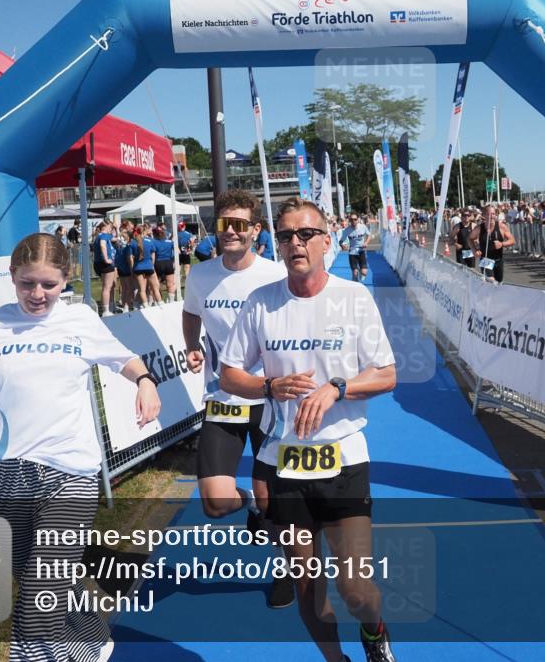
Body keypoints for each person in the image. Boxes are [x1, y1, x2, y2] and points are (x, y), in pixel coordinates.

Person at [0, 233, 161, 662]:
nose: (37, 293)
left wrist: (146, 382)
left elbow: (124, 359)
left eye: (49, 284)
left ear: (66, 278)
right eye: (27, 283)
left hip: (70, 473)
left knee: (41, 589)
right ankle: (91, 637)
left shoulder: (80, 319)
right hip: (7, 476)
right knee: (36, 576)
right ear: (12, 276)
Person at [220, 197, 398, 662]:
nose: (295, 243)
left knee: (356, 589)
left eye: (305, 234)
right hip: (284, 463)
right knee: (307, 583)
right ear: (277, 244)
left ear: (326, 241)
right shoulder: (261, 303)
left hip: (343, 457)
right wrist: (269, 385)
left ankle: (374, 632)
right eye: (285, 236)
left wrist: (337, 388)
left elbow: (386, 374)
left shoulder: (353, 298)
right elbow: (229, 374)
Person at [182, 189, 291, 608]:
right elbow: (191, 312)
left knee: (279, 499)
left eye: (240, 224)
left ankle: (286, 567)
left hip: (270, 400)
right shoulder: (200, 275)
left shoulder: (274, 274)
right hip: (222, 398)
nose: (230, 231)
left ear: (255, 230)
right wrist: (191, 346)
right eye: (224, 223)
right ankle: (253, 508)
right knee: (214, 503)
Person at [470, 204, 515, 283]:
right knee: (491, 281)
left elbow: (512, 240)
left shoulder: (501, 227)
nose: (491, 216)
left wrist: (502, 244)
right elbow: (470, 238)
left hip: (498, 260)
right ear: (484, 215)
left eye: (493, 214)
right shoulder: (479, 228)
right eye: (488, 214)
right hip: (486, 260)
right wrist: (474, 250)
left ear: (496, 215)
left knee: (498, 283)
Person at [92, 221, 118, 316]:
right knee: (107, 287)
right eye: (110, 227)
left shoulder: (100, 236)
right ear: (104, 227)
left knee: (107, 287)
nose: (111, 229)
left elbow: (116, 238)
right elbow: (102, 245)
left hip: (99, 263)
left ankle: (108, 308)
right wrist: (106, 259)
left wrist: (116, 229)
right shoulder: (103, 236)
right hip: (105, 264)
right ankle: (106, 310)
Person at [340, 213, 372, 282]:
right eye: (351, 219)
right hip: (352, 252)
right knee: (355, 273)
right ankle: (355, 284)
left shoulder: (363, 227)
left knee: (364, 273)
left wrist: (366, 243)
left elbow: (369, 235)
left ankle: (360, 271)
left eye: (355, 219)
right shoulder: (347, 230)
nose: (353, 221)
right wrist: (342, 246)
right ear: (349, 220)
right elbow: (341, 241)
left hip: (361, 251)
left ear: (358, 220)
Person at [153, 228, 177, 302]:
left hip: (158, 263)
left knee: (156, 284)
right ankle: (170, 301)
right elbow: (178, 252)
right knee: (170, 284)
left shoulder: (154, 242)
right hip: (168, 263)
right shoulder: (170, 242)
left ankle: (159, 301)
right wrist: (174, 261)